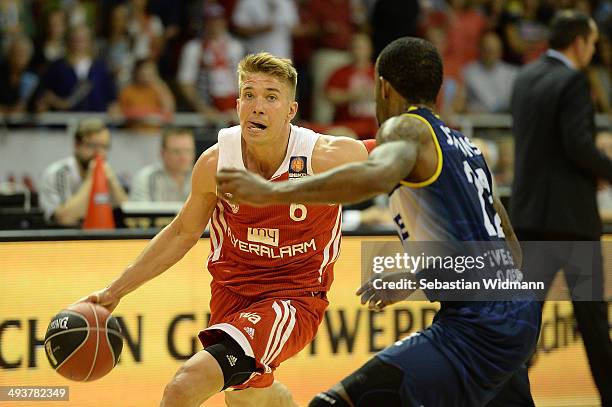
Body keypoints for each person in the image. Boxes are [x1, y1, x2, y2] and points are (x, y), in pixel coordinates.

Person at [217, 37, 542, 407]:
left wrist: (271, 193)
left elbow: (375, 176)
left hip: (478, 324)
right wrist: (417, 278)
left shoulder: (405, 128)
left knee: (332, 404)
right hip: (521, 311)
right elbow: (509, 251)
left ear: (383, 87)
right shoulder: (465, 147)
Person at [81, 52, 368, 407]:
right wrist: (114, 292)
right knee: (250, 399)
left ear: (291, 111)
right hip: (231, 296)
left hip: (294, 298)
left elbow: (400, 159)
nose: (257, 106)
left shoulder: (324, 157)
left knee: (183, 387)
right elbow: (181, 232)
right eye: (249, 94)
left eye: (271, 96)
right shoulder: (216, 163)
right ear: (237, 104)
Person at [510, 10, 612, 405]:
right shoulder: (572, 81)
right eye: (592, 42)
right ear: (579, 43)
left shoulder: (525, 77)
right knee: (593, 323)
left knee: (522, 324)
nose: (593, 50)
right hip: (572, 222)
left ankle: (499, 394)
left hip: (530, 217)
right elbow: (577, 145)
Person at [39, 119, 128, 226]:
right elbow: (64, 218)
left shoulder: (107, 173)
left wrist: (113, 183)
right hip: (64, 240)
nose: (99, 153)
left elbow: (128, 217)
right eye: (92, 146)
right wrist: (91, 180)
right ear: (77, 145)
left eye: (104, 147)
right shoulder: (58, 174)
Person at [129, 128, 195, 202]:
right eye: (176, 152)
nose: (183, 157)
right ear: (162, 153)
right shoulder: (146, 178)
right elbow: (139, 212)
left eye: (188, 151)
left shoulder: (200, 177)